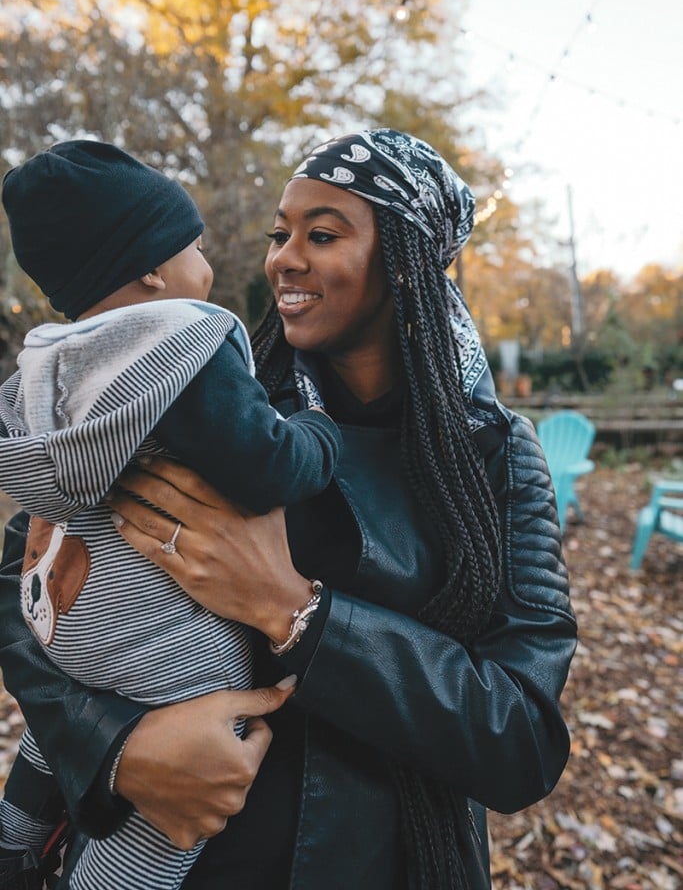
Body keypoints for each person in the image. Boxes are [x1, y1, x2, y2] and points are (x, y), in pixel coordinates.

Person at [0, 128, 577, 890]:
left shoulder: (492, 457)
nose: (284, 257)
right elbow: (25, 574)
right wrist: (117, 747)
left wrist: (293, 610)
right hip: (189, 852)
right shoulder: (212, 407)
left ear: (403, 261)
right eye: (280, 233)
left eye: (323, 233)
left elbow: (521, 741)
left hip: (390, 860)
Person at [0, 140, 342, 889]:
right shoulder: (182, 342)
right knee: (159, 835)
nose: (207, 263)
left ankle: (14, 838)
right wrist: (318, 433)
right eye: (190, 245)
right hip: (164, 656)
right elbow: (267, 468)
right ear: (152, 270)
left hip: (69, 631)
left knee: (46, 746)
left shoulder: (48, 367)